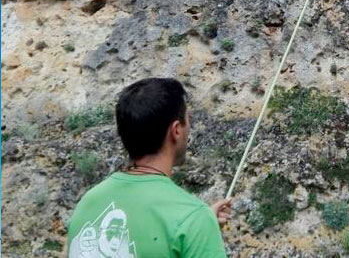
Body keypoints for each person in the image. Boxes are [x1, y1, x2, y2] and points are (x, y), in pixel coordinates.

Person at [67, 78, 231, 258]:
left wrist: (200, 227)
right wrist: (199, 228)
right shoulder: (193, 218)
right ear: (176, 130)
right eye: (187, 120)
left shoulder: (86, 205)